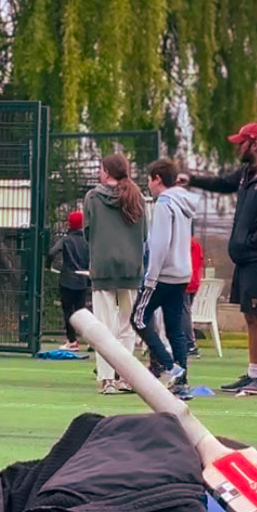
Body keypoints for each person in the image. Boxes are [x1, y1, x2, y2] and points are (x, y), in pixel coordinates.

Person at [181, 121, 257, 396]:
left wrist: (253, 241)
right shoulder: (246, 174)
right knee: (250, 315)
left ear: (254, 144)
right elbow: (221, 183)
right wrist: (191, 179)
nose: (237, 147)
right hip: (245, 259)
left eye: (241, 143)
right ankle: (253, 373)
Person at [83, 153, 147, 396]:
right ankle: (125, 377)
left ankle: (106, 378)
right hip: (128, 273)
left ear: (107, 172)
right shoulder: (137, 197)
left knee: (104, 326)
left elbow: (88, 231)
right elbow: (144, 234)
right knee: (125, 324)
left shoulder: (93, 198)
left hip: (104, 273)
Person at [132, 158, 197, 393]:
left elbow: (159, 243)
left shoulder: (164, 204)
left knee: (138, 318)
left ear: (157, 179)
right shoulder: (184, 204)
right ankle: (181, 381)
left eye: (149, 180)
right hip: (181, 274)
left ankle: (169, 365)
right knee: (175, 329)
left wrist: (151, 276)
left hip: (163, 275)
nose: (148, 185)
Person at [48, 210, 91, 350]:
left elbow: (52, 252)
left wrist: (48, 266)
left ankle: (72, 341)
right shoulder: (87, 240)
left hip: (67, 279)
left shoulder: (66, 240)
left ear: (69, 224)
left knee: (68, 311)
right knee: (82, 311)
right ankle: (91, 340)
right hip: (83, 279)